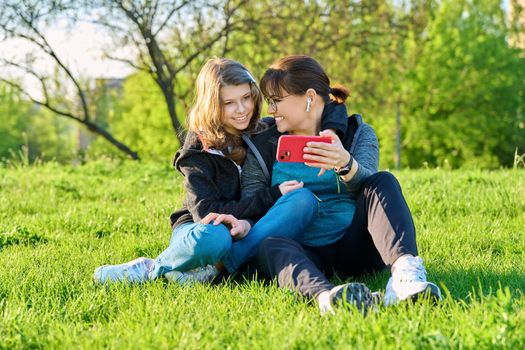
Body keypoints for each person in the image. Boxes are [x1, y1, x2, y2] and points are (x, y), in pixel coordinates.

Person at [235, 55, 441, 314]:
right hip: (301, 249)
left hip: (354, 245)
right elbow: (253, 202)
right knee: (269, 245)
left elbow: (372, 194)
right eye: (269, 102)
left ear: (309, 97)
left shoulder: (358, 132)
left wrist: (346, 164)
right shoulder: (262, 141)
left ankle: (405, 278)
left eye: (276, 101)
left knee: (383, 180)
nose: (271, 110)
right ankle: (329, 298)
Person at [93, 58, 318, 285]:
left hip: (251, 227)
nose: (242, 110)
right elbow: (207, 213)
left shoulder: (264, 129)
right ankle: (154, 267)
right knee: (216, 237)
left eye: (246, 98)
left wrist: (332, 130)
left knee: (302, 200)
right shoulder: (198, 147)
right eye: (228, 103)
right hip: (200, 227)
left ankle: (216, 269)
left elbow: (328, 105)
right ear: (212, 104)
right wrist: (271, 195)